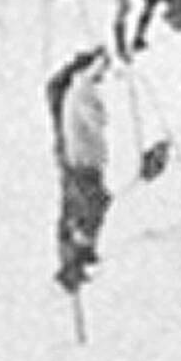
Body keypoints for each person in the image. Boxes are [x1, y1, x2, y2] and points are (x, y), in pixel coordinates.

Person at [48, 47, 112, 292]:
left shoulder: (74, 87)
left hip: (78, 155)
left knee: (79, 206)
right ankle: (76, 258)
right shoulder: (83, 88)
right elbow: (97, 119)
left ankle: (76, 256)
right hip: (83, 158)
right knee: (92, 204)